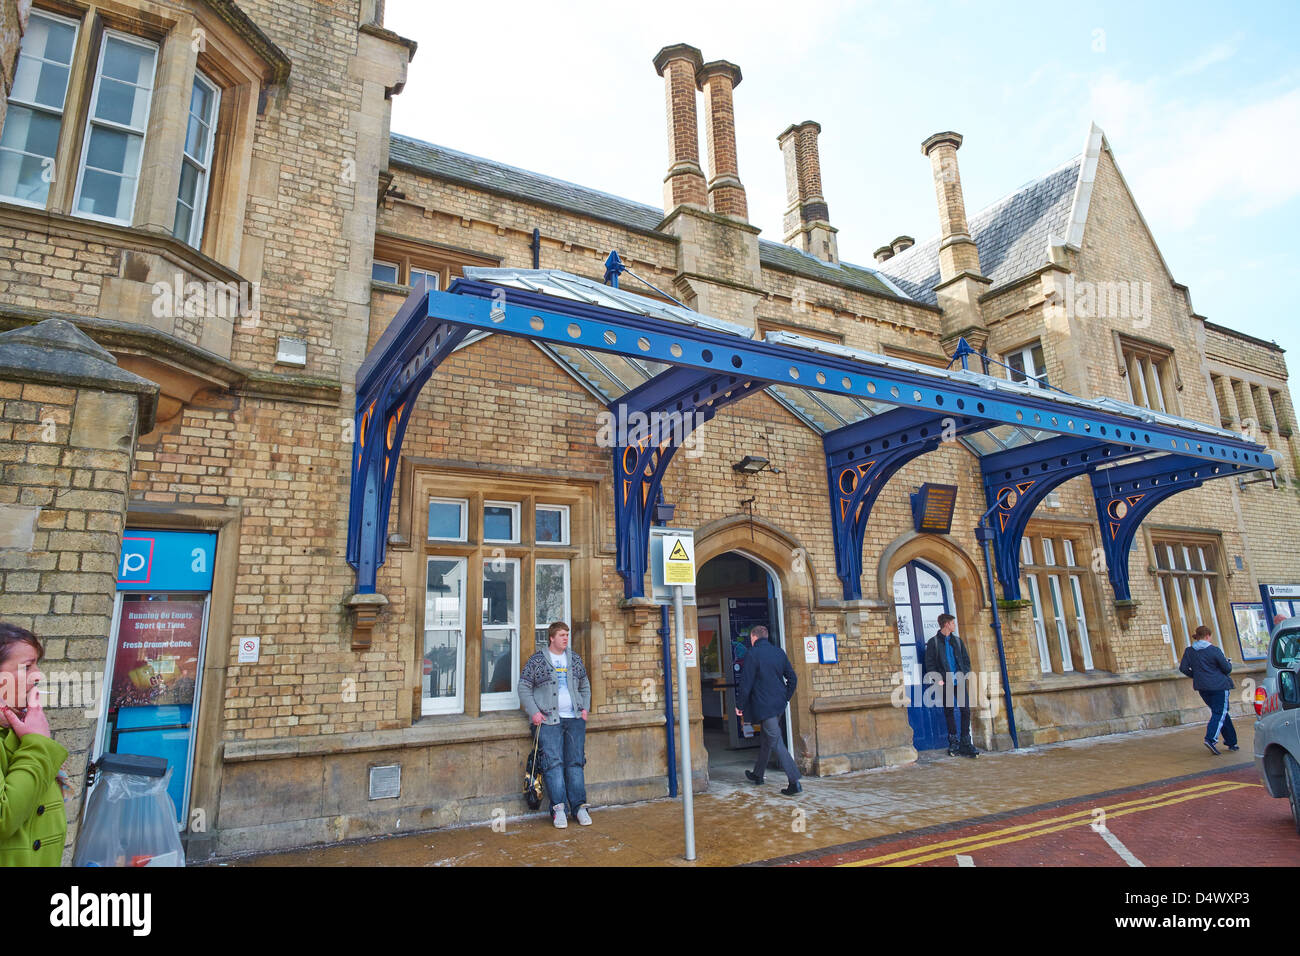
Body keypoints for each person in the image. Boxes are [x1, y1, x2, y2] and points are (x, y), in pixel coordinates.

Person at [0, 623, 69, 866]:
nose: (39, 675)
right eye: (27, 667)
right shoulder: (30, 736)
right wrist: (38, 743)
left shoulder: (17, 726)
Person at [519, 622, 592, 828]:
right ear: (551, 637)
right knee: (553, 764)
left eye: (567, 635)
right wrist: (534, 712)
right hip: (549, 721)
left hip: (574, 719)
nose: (566, 638)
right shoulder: (537, 660)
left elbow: (585, 685)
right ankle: (558, 809)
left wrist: (584, 708)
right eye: (562, 635)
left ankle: (579, 808)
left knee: (575, 763)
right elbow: (523, 687)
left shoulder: (574, 659)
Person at [735, 625, 801, 795]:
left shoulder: (752, 654)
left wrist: (739, 706)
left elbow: (746, 683)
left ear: (754, 638)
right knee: (767, 740)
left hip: (764, 707)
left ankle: (794, 782)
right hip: (778, 705)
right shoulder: (779, 652)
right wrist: (785, 697)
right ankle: (758, 774)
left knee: (776, 741)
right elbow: (792, 678)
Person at [924, 614, 979, 758]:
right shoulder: (933, 643)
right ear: (946, 624)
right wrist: (938, 680)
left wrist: (964, 673)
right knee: (949, 711)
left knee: (965, 710)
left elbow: (966, 661)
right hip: (945, 682)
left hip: (959, 681)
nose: (954, 625)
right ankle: (953, 742)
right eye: (953, 623)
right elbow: (929, 665)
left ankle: (966, 742)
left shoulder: (958, 642)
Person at [1178, 625, 1238, 756]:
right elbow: (1227, 669)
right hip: (1219, 686)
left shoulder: (1189, 651)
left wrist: (1196, 676)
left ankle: (1232, 742)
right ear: (1207, 636)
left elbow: (1183, 668)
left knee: (1221, 713)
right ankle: (1211, 739)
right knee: (1220, 712)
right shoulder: (1214, 650)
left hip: (1202, 687)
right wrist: (1229, 663)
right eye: (1210, 637)